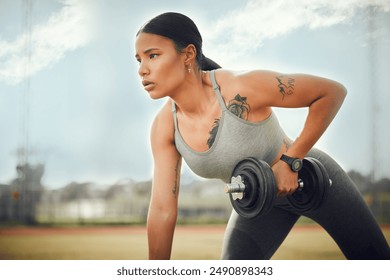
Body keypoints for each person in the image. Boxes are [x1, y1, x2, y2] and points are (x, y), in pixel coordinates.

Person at [134, 12, 390, 260]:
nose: (142, 70)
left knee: (375, 262)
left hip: (313, 178)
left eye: (153, 56)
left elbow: (331, 93)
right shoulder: (165, 127)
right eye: (139, 60)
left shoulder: (240, 87)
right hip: (259, 200)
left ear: (188, 54)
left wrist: (292, 161)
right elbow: (162, 210)